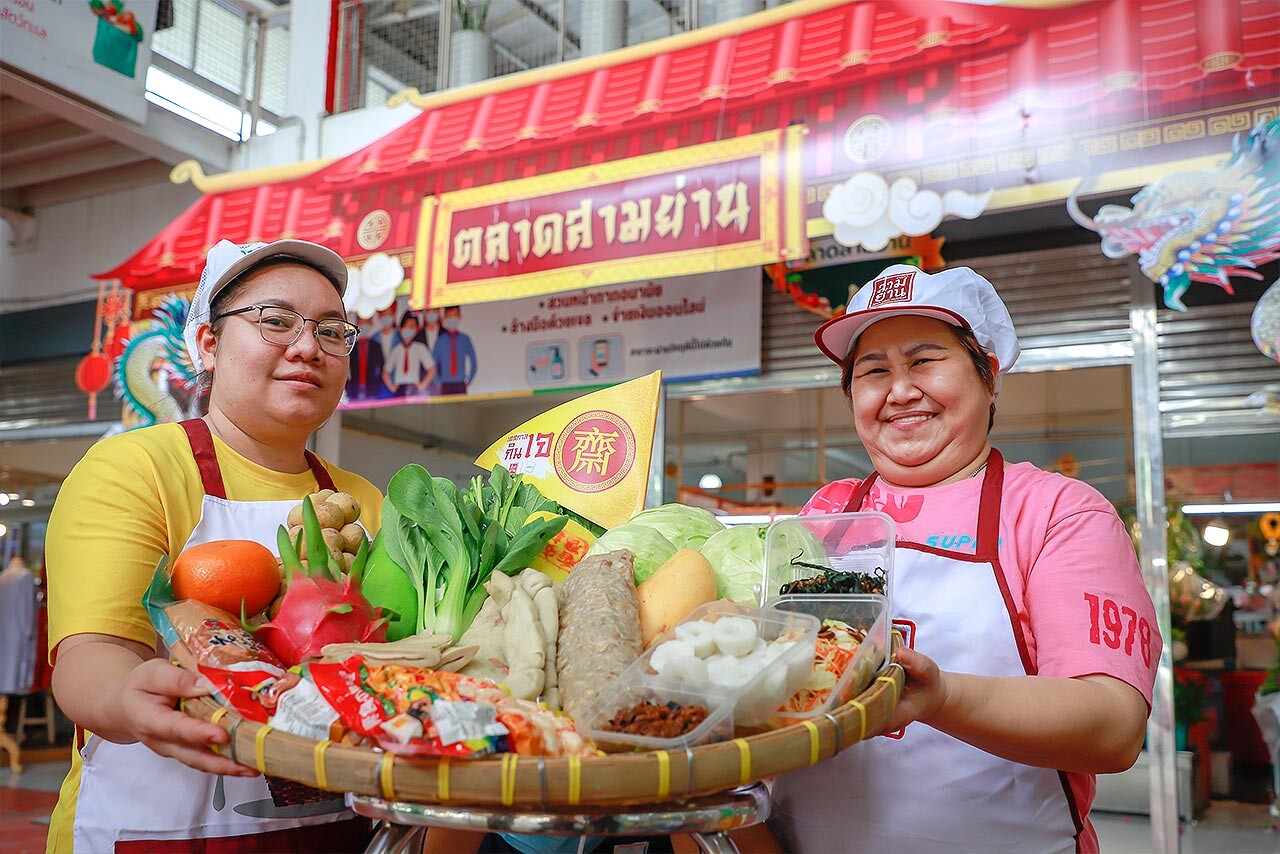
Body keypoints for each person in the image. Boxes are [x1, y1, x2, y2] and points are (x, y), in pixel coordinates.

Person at [768, 265, 1158, 853]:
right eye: (873, 371)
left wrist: (942, 697)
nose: (899, 391)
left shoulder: (1057, 512)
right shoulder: (825, 512)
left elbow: (1113, 726)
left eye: (924, 361)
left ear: (988, 375)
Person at [44, 239, 384, 853]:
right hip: (157, 833)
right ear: (208, 343)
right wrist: (128, 696)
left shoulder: (365, 501)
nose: (308, 347)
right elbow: (91, 652)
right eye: (275, 321)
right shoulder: (137, 467)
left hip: (336, 834)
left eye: (333, 331)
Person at [382, 309, 435, 397]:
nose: (408, 329)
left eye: (412, 326)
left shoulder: (420, 348)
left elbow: (432, 369)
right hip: (399, 389)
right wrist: (392, 387)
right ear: (400, 328)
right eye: (406, 326)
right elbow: (385, 373)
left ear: (417, 329)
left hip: (414, 388)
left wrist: (421, 386)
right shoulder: (396, 349)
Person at [433, 305, 478, 395]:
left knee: (462, 409)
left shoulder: (465, 339)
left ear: (460, 317)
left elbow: (473, 362)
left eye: (454, 315)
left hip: (460, 384)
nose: (452, 319)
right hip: (445, 385)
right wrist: (437, 383)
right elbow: (433, 364)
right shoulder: (440, 340)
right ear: (444, 318)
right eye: (449, 316)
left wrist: (468, 380)